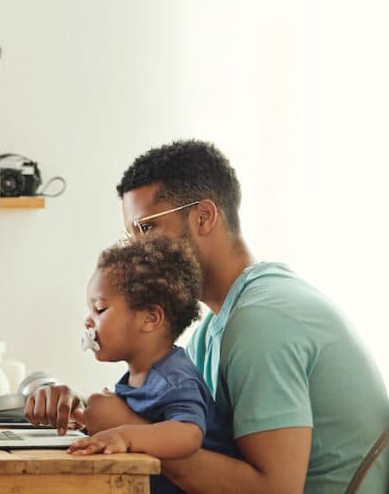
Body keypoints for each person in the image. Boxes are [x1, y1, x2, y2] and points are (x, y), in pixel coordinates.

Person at [26, 140, 389, 493]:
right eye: (131, 234)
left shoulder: (263, 322)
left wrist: (128, 429)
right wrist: (83, 411)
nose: (136, 248)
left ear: (203, 216)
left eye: (146, 227)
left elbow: (274, 490)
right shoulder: (212, 329)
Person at [67, 236, 238, 494]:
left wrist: (124, 435)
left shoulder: (174, 377)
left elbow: (188, 434)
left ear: (150, 318)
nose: (88, 322)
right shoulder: (141, 376)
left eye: (99, 309)